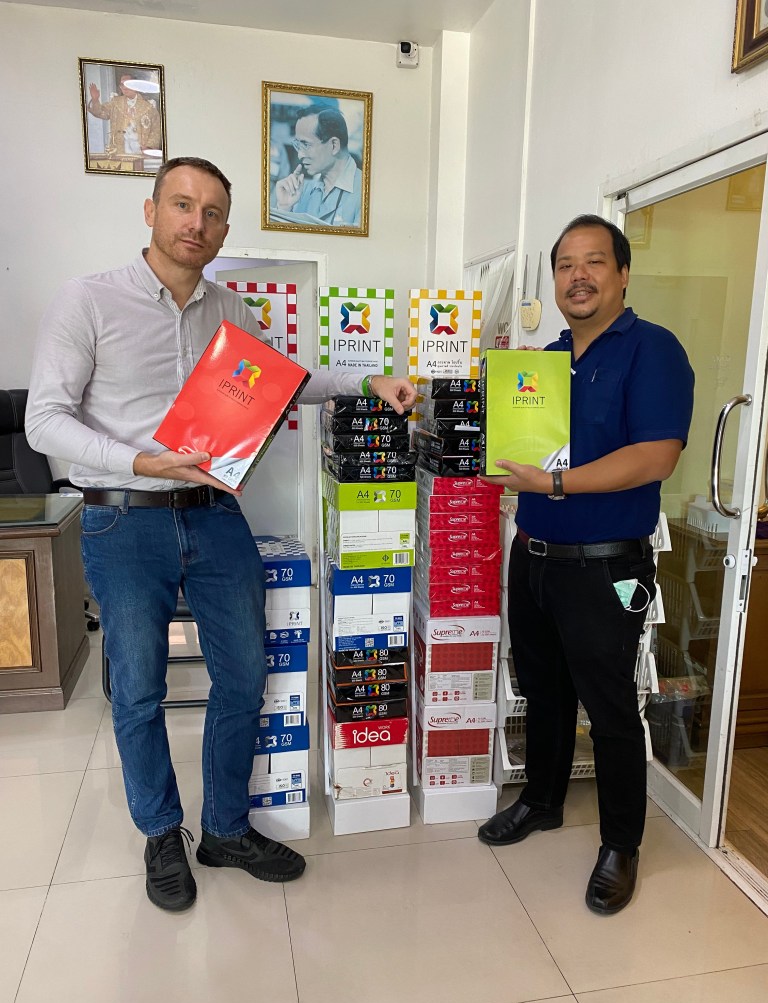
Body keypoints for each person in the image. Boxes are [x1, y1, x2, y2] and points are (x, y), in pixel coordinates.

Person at [26, 156, 416, 913]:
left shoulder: (232, 311)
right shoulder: (88, 301)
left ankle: (225, 829)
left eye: (211, 213)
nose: (195, 223)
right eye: (181, 205)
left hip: (212, 514)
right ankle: (161, 833)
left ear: (224, 229)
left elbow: (286, 382)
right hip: (122, 516)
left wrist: (367, 382)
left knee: (243, 676)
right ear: (150, 211)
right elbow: (45, 420)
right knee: (138, 689)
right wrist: (141, 460)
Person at [477, 214, 694, 915]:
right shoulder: (545, 360)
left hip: (607, 569)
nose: (578, 276)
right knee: (542, 692)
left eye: (594, 261)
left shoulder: (653, 350)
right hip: (535, 557)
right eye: (566, 264)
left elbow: (656, 456)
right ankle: (541, 800)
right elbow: (524, 449)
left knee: (610, 708)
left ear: (623, 274)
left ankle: (621, 845)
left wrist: (556, 484)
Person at [273, 105, 362, 228]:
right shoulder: (299, 192)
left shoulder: (367, 193)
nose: (300, 155)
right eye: (298, 145)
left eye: (306, 144)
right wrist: (284, 208)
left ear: (334, 145)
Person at [87, 73, 162, 155]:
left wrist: (149, 147)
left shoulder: (148, 106)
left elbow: (156, 129)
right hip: (118, 150)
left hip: (139, 150)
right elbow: (100, 112)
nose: (124, 87)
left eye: (127, 84)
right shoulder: (115, 102)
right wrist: (95, 100)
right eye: (122, 85)